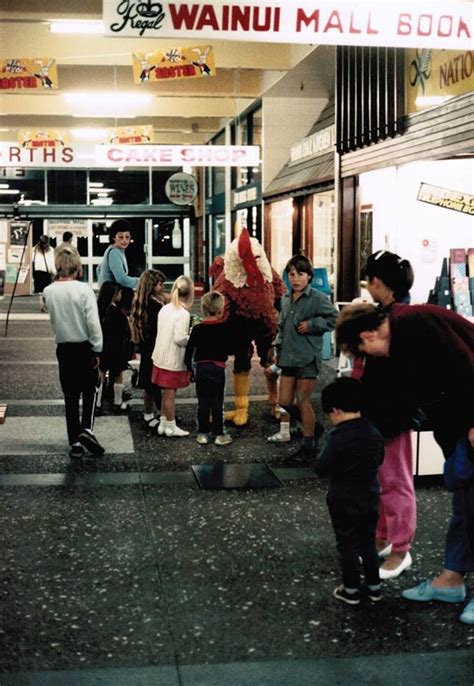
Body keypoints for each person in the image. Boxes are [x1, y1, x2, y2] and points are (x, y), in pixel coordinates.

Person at [335, 302, 474, 624]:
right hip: (457, 427)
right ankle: (452, 580)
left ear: (368, 335)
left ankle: (452, 580)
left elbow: (466, 365)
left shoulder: (413, 325)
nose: (366, 359)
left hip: (466, 422)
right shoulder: (404, 331)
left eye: (362, 351)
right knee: (465, 506)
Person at [355, 251, 418, 579]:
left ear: (378, 283)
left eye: (369, 281)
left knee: (395, 480)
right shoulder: (393, 313)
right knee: (382, 478)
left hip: (392, 412)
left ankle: (401, 548)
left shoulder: (400, 318)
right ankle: (384, 536)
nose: (367, 286)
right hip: (382, 410)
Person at [315, 377, 385, 605]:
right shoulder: (373, 432)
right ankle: (374, 587)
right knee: (367, 541)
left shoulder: (338, 437)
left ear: (335, 410)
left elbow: (322, 467)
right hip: (370, 496)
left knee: (346, 543)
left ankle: (351, 589)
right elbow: (380, 458)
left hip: (343, 499)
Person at [211, 228, 286, 426]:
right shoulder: (227, 278)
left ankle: (276, 403)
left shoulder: (267, 271)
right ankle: (242, 409)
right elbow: (219, 303)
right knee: (242, 363)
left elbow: (280, 294)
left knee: (270, 363)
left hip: (266, 324)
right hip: (239, 326)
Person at [269, 255, 338, 460]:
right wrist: (276, 349)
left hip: (308, 356)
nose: (296, 278)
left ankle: (308, 446)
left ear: (309, 276)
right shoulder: (286, 298)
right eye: (291, 274)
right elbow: (281, 327)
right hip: (288, 356)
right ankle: (313, 427)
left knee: (303, 401)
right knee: (284, 400)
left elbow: (335, 318)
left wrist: (313, 325)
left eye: (300, 274)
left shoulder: (317, 298)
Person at [43, 247, 104, 459]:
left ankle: (75, 442)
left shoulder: (48, 291)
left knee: (70, 395)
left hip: (64, 348)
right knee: (90, 390)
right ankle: (87, 429)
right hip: (84, 347)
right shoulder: (84, 290)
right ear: (78, 268)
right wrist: (97, 348)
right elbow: (93, 323)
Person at [185, 290, 233, 446]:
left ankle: (203, 433)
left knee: (203, 401)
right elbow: (230, 349)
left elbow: (189, 350)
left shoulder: (198, 329)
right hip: (218, 368)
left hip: (201, 368)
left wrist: (189, 369)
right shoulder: (225, 328)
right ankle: (219, 434)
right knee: (217, 401)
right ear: (220, 310)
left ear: (204, 310)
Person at [151, 275, 194, 437]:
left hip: (160, 357)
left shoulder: (165, 308)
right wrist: (192, 338)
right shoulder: (183, 314)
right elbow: (180, 339)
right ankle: (171, 425)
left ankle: (163, 423)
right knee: (170, 393)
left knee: (165, 393)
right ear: (189, 294)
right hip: (172, 359)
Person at [129, 269, 167, 430]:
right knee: (153, 385)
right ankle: (151, 414)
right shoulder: (155, 305)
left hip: (147, 349)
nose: (162, 287)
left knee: (151, 384)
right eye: (160, 284)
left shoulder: (143, 303)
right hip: (154, 348)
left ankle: (157, 413)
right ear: (151, 286)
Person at [97, 281, 133, 413]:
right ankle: (117, 402)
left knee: (100, 373)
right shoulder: (118, 312)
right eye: (119, 292)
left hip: (102, 347)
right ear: (114, 294)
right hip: (117, 349)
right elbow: (125, 332)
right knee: (118, 374)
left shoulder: (99, 310)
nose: (121, 294)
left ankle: (98, 403)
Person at [97, 219, 138, 291]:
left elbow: (98, 269)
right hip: (111, 295)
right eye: (121, 237)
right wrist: (142, 281)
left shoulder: (114, 250)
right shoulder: (114, 252)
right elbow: (122, 280)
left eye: (127, 237)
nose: (125, 240)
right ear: (113, 237)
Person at [32, 235, 55, 312]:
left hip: (37, 271)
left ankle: (41, 303)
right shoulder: (51, 250)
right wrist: (54, 272)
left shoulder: (35, 249)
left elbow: (32, 259)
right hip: (46, 271)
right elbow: (52, 262)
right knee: (46, 289)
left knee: (40, 290)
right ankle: (45, 303)